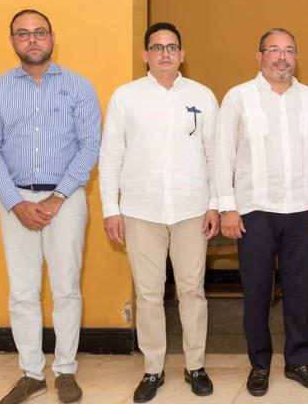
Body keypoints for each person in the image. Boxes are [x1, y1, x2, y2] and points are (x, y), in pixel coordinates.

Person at [0, 9, 101, 404]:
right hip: (14, 201)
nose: (32, 40)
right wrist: (15, 202)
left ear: (52, 38)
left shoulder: (79, 87)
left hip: (65, 200)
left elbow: (90, 146)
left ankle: (65, 370)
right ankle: (31, 373)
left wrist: (57, 196)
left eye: (39, 33)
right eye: (23, 34)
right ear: (12, 40)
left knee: (66, 288)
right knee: (23, 291)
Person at [98, 22, 219, 402]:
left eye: (172, 47)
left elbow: (216, 156)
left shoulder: (202, 95)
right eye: (157, 47)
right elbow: (111, 154)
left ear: (182, 54)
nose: (165, 53)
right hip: (140, 210)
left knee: (191, 291)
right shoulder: (125, 97)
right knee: (149, 294)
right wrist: (110, 208)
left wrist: (216, 204)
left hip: (191, 210)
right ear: (145, 55)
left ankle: (195, 365)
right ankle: (152, 369)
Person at [214, 28, 308, 397]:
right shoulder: (238, 97)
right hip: (254, 211)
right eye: (274, 50)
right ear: (260, 55)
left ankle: (299, 361)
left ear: (297, 57)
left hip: (300, 208)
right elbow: (222, 156)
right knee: (257, 290)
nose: (282, 57)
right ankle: (259, 364)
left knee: (300, 289)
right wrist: (228, 207)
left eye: (290, 51)